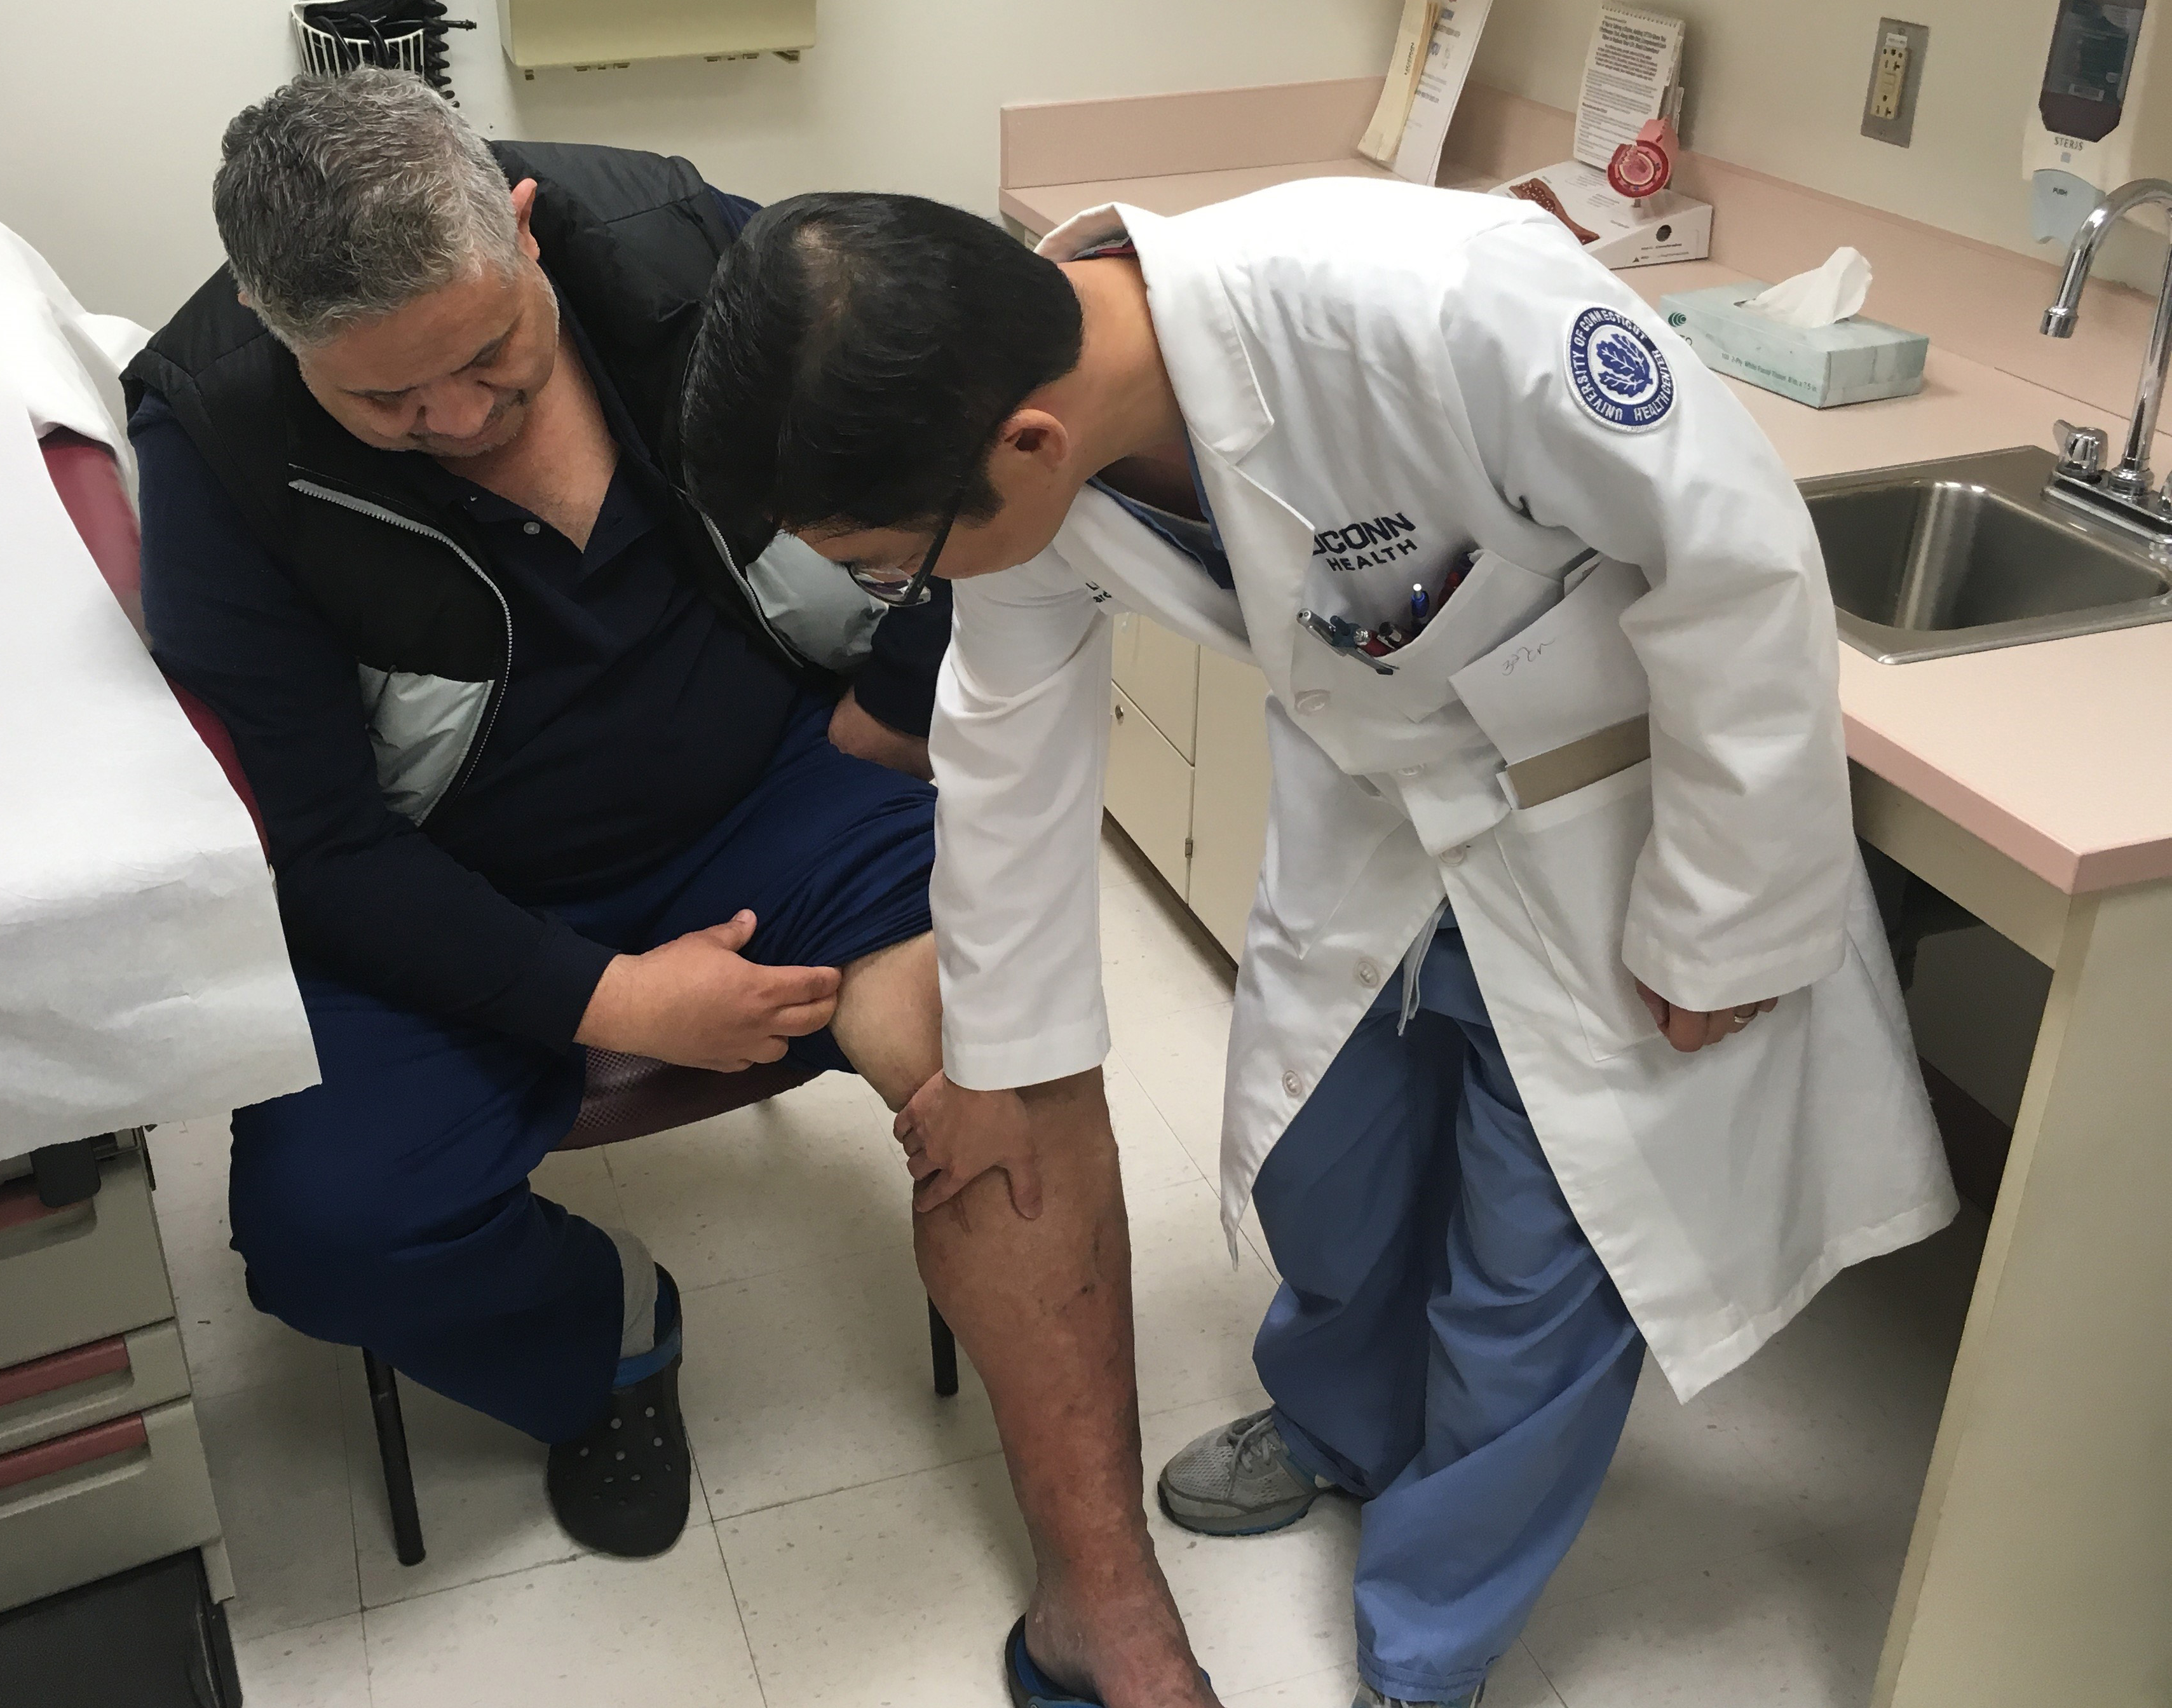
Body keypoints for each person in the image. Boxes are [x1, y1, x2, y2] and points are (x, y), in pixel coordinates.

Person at [681, 181, 1960, 1708]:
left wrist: (1726, 920)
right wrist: (1003, 1072)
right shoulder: (1002, 415)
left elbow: (1741, 564)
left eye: (895, 561)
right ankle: (1345, 1428)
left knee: (1532, 1285)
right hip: (1379, 814)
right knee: (1322, 1170)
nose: (912, 592)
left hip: (1613, 832)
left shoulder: (1449, 304)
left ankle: (1429, 1652)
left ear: (1026, 445)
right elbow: (1007, 752)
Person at [127, 71, 1221, 1707]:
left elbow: (953, 465)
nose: (456, 422)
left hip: (781, 798)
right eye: (384, 404)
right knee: (323, 1232)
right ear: (291, 350)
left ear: (521, 225)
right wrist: (609, 1000)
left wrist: (902, 697)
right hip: (452, 877)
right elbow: (323, 851)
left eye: (488, 360)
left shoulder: (680, 244)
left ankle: (1103, 1599)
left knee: (1001, 1078)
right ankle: (610, 1328)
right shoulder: (214, 431)